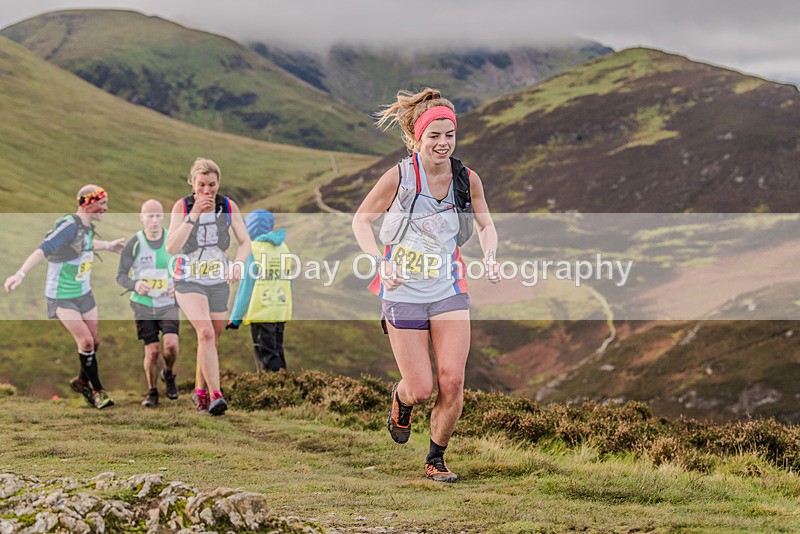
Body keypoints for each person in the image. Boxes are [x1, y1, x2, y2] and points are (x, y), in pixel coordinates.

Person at [352, 88, 500, 483]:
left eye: (448, 135)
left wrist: (489, 257)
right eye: (433, 136)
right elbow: (360, 221)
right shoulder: (400, 176)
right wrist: (380, 263)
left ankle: (436, 459)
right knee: (420, 388)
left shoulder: (466, 178)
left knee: (453, 380)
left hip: (448, 289)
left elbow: (485, 225)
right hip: (402, 292)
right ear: (417, 137)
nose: (442, 143)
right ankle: (402, 400)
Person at [3, 184, 125, 409]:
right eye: (102, 203)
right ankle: (98, 391)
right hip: (61, 296)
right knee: (86, 341)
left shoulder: (86, 227)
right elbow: (44, 248)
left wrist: (108, 245)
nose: (106, 208)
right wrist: (20, 274)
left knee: (94, 342)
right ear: (88, 203)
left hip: (84, 294)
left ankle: (80, 381)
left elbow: (86, 245)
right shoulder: (69, 225)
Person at [165, 158, 250, 415]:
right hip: (187, 278)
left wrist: (238, 264)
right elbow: (171, 247)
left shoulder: (227, 205)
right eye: (201, 185)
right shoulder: (181, 206)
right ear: (192, 183)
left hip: (217, 278)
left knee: (211, 339)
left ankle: (200, 393)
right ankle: (216, 395)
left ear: (218, 183)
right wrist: (193, 216)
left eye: (211, 185)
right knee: (204, 333)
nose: (206, 191)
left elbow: (245, 241)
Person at [116, 199, 180, 407]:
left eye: (158, 216)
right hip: (143, 304)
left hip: (168, 302)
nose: (154, 220)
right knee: (152, 351)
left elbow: (186, 268)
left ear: (163, 217)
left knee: (170, 347)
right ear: (141, 218)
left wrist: (179, 285)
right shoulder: (134, 243)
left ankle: (168, 373)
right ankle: (152, 392)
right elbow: (121, 276)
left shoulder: (173, 239)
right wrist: (135, 284)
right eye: (149, 216)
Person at [227, 209, 292, 372]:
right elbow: (288, 281)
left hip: (261, 312)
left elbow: (246, 288)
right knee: (277, 351)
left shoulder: (252, 250)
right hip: (280, 311)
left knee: (268, 357)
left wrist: (235, 318)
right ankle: (286, 386)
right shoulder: (283, 248)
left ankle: (277, 391)